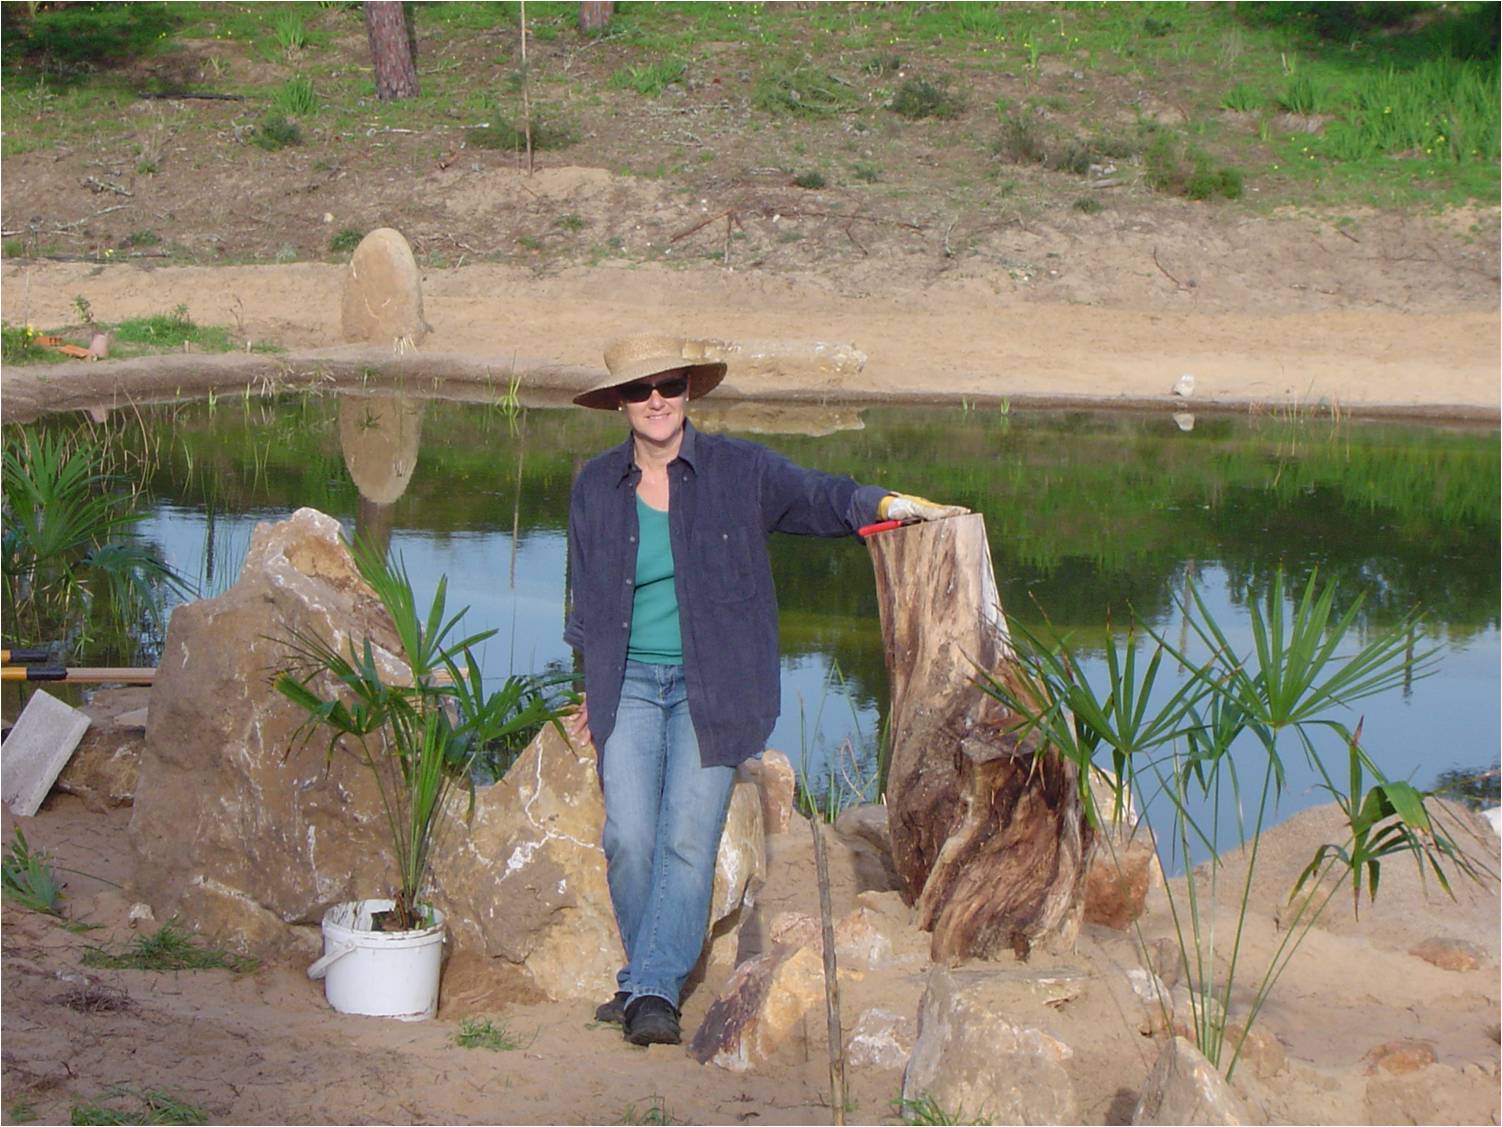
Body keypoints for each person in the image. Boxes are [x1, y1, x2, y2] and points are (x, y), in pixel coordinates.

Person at [563, 334, 966, 1047]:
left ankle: (651, 988)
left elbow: (819, 495)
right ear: (619, 403)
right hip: (625, 681)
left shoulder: (738, 470)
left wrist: (884, 503)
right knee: (628, 835)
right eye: (639, 388)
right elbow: (585, 599)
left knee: (687, 839)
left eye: (670, 383)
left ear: (689, 390)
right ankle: (647, 977)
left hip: (713, 685)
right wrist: (585, 693)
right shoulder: (594, 485)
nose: (656, 399)